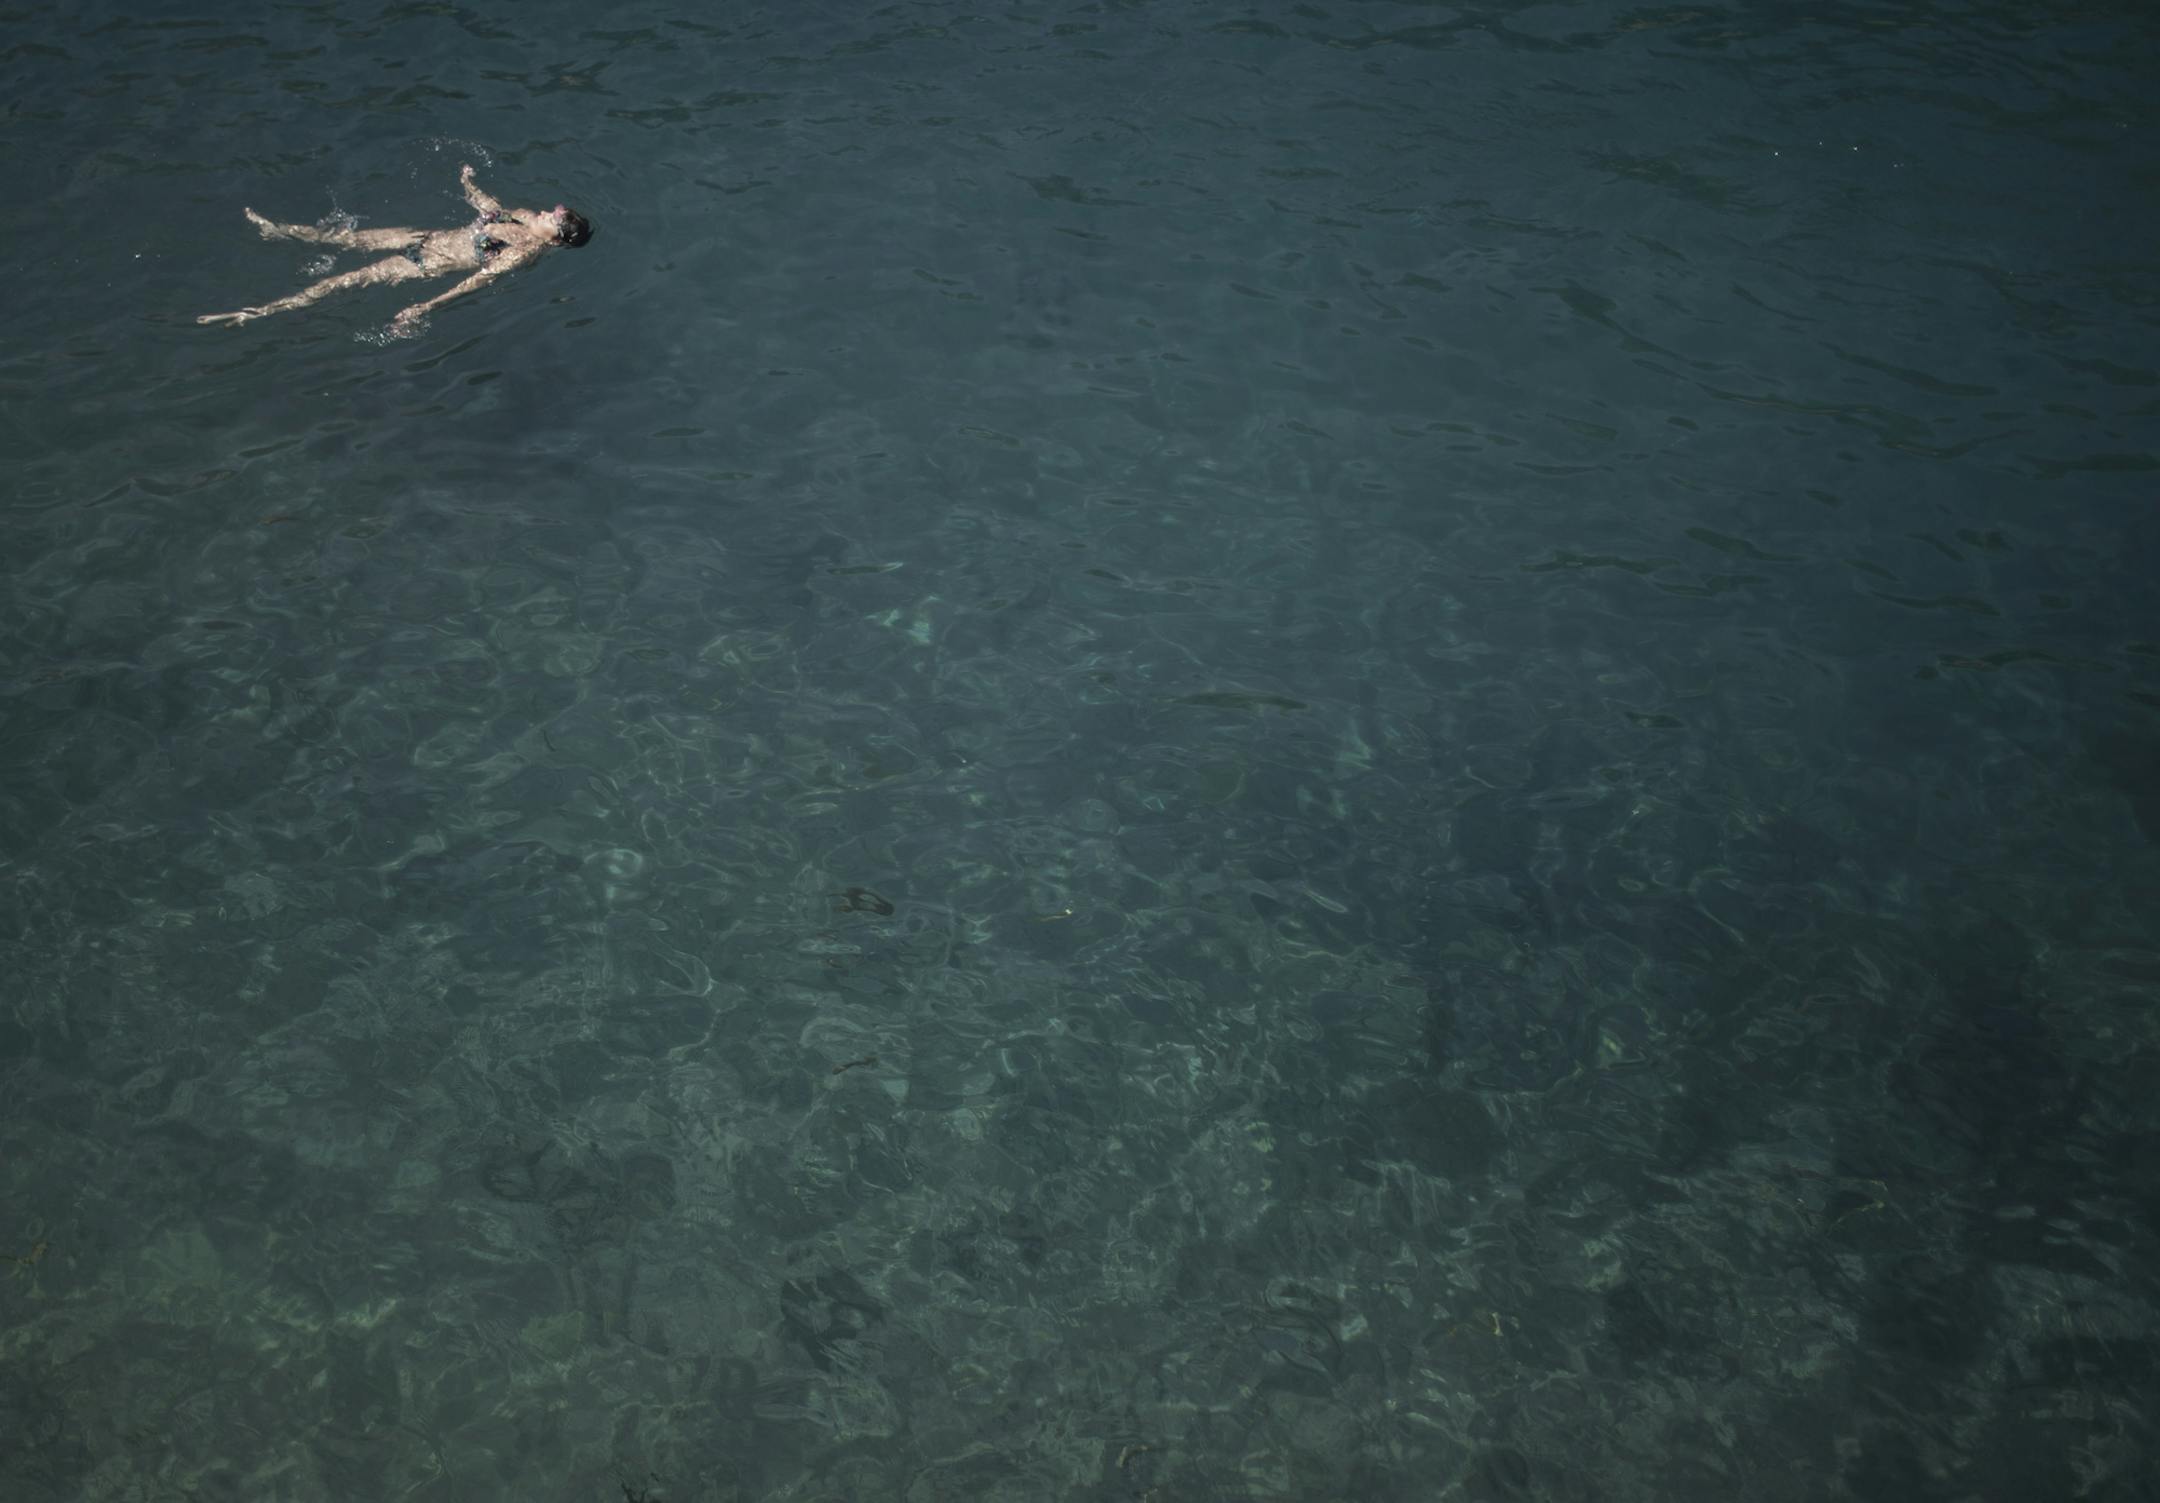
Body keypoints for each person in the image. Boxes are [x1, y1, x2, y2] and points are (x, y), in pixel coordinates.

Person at [197, 164, 592, 331]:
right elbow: (489, 209)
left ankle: (260, 311)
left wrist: (425, 306)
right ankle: (280, 232)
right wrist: (468, 182)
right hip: (422, 236)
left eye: (553, 216)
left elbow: (477, 281)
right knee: (343, 238)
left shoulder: (525, 252)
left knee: (341, 282)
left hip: (424, 262)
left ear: (554, 237)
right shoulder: (522, 216)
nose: (546, 210)